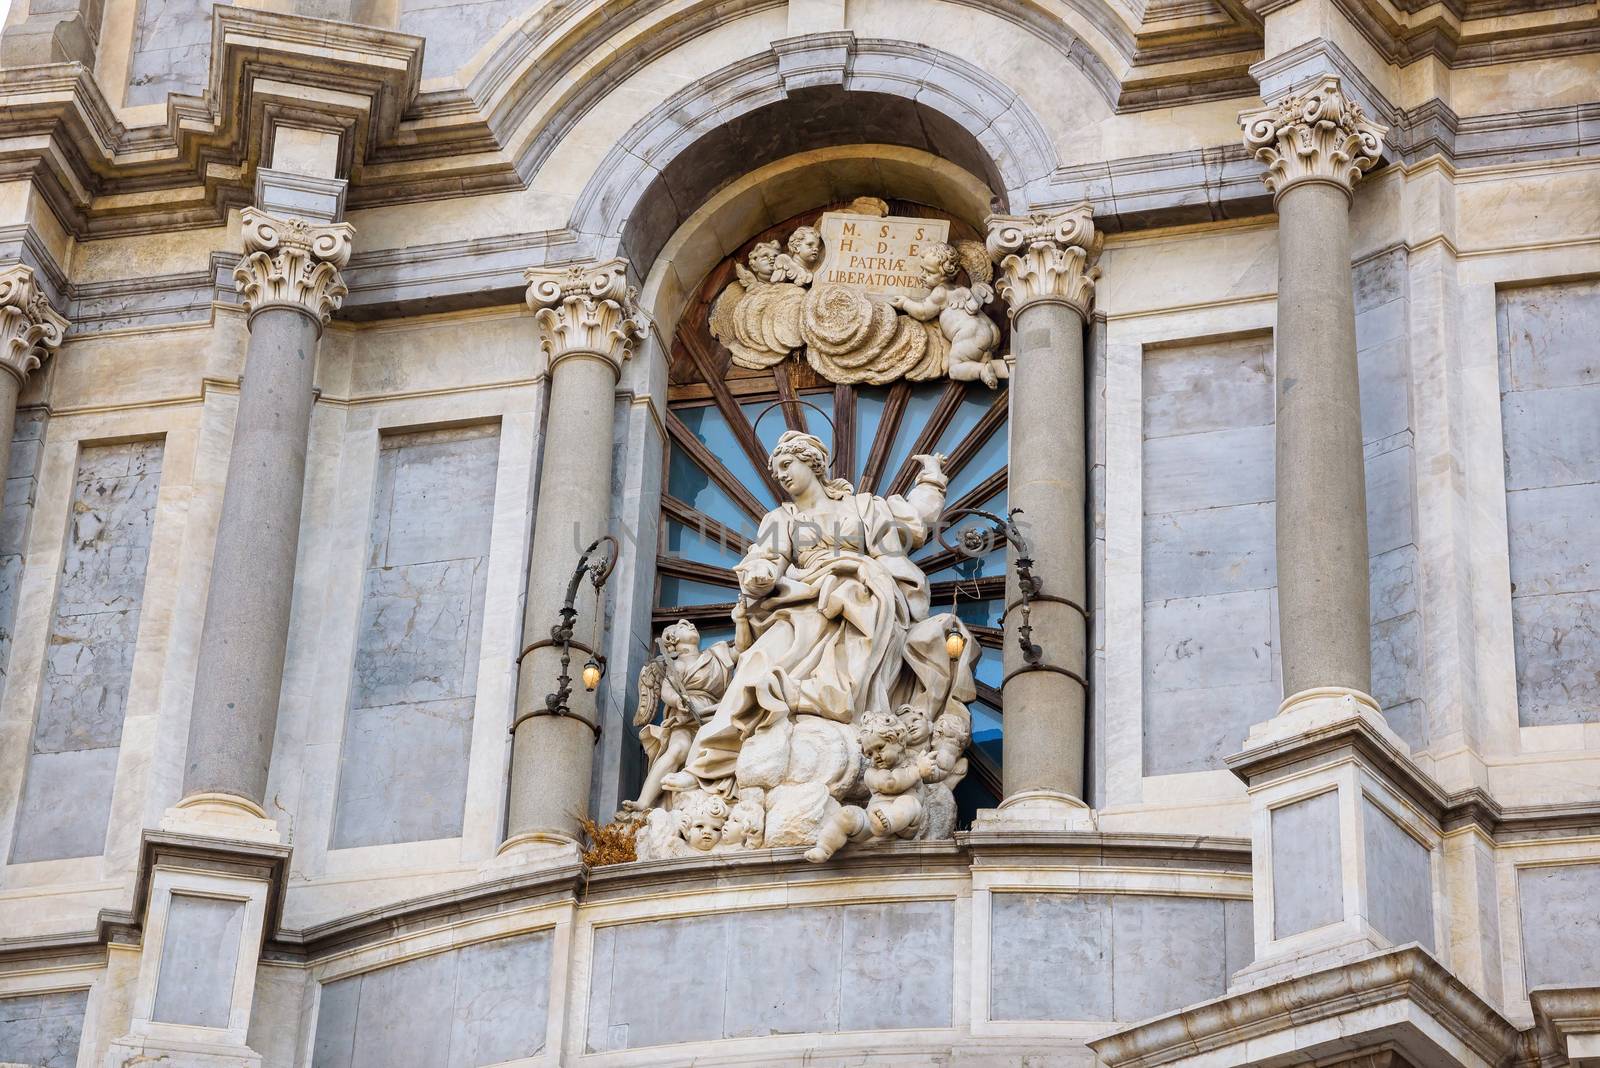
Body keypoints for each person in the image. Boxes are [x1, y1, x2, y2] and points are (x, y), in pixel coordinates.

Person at [660, 430, 959, 794]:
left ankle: (833, 706)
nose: (782, 475)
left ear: (812, 463)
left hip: (860, 597)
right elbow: (766, 561)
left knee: (854, 607)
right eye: (777, 471)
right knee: (756, 661)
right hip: (800, 604)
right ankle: (708, 761)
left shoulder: (862, 507)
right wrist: (759, 577)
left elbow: (912, 522)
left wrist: (931, 477)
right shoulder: (782, 519)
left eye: (788, 465)